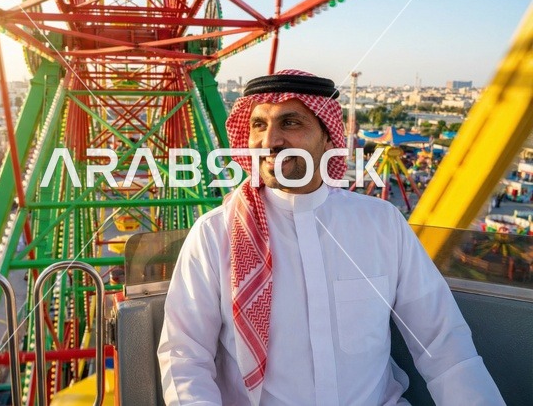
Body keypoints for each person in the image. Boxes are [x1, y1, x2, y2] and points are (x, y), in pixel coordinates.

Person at [157, 70, 504, 405]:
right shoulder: (215, 232)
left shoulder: (382, 224)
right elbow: (184, 355)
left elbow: (443, 344)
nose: (270, 141)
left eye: (290, 123)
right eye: (259, 125)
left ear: (328, 138)